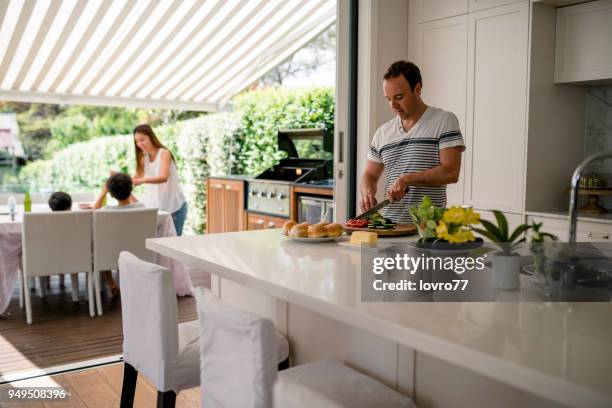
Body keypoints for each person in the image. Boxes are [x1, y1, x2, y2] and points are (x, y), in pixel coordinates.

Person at [360, 60, 465, 223]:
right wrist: (367, 192)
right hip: (388, 226)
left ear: (417, 89)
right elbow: (370, 175)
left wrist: (407, 179)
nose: (393, 105)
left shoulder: (444, 121)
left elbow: (451, 172)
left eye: (399, 97)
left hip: (428, 228)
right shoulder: (382, 132)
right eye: (388, 99)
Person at [93, 173, 144, 299]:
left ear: (110, 193)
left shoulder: (105, 211)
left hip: (111, 254)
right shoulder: (142, 208)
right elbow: (139, 204)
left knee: (102, 247)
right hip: (136, 252)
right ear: (131, 189)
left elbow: (94, 210)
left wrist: (103, 192)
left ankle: (111, 283)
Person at [131, 124, 187, 235]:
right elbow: (136, 178)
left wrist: (141, 181)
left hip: (174, 208)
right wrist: (119, 179)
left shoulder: (164, 153)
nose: (140, 144)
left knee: (173, 246)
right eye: (137, 141)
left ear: (151, 137)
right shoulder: (144, 158)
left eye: (143, 140)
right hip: (158, 209)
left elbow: (163, 177)